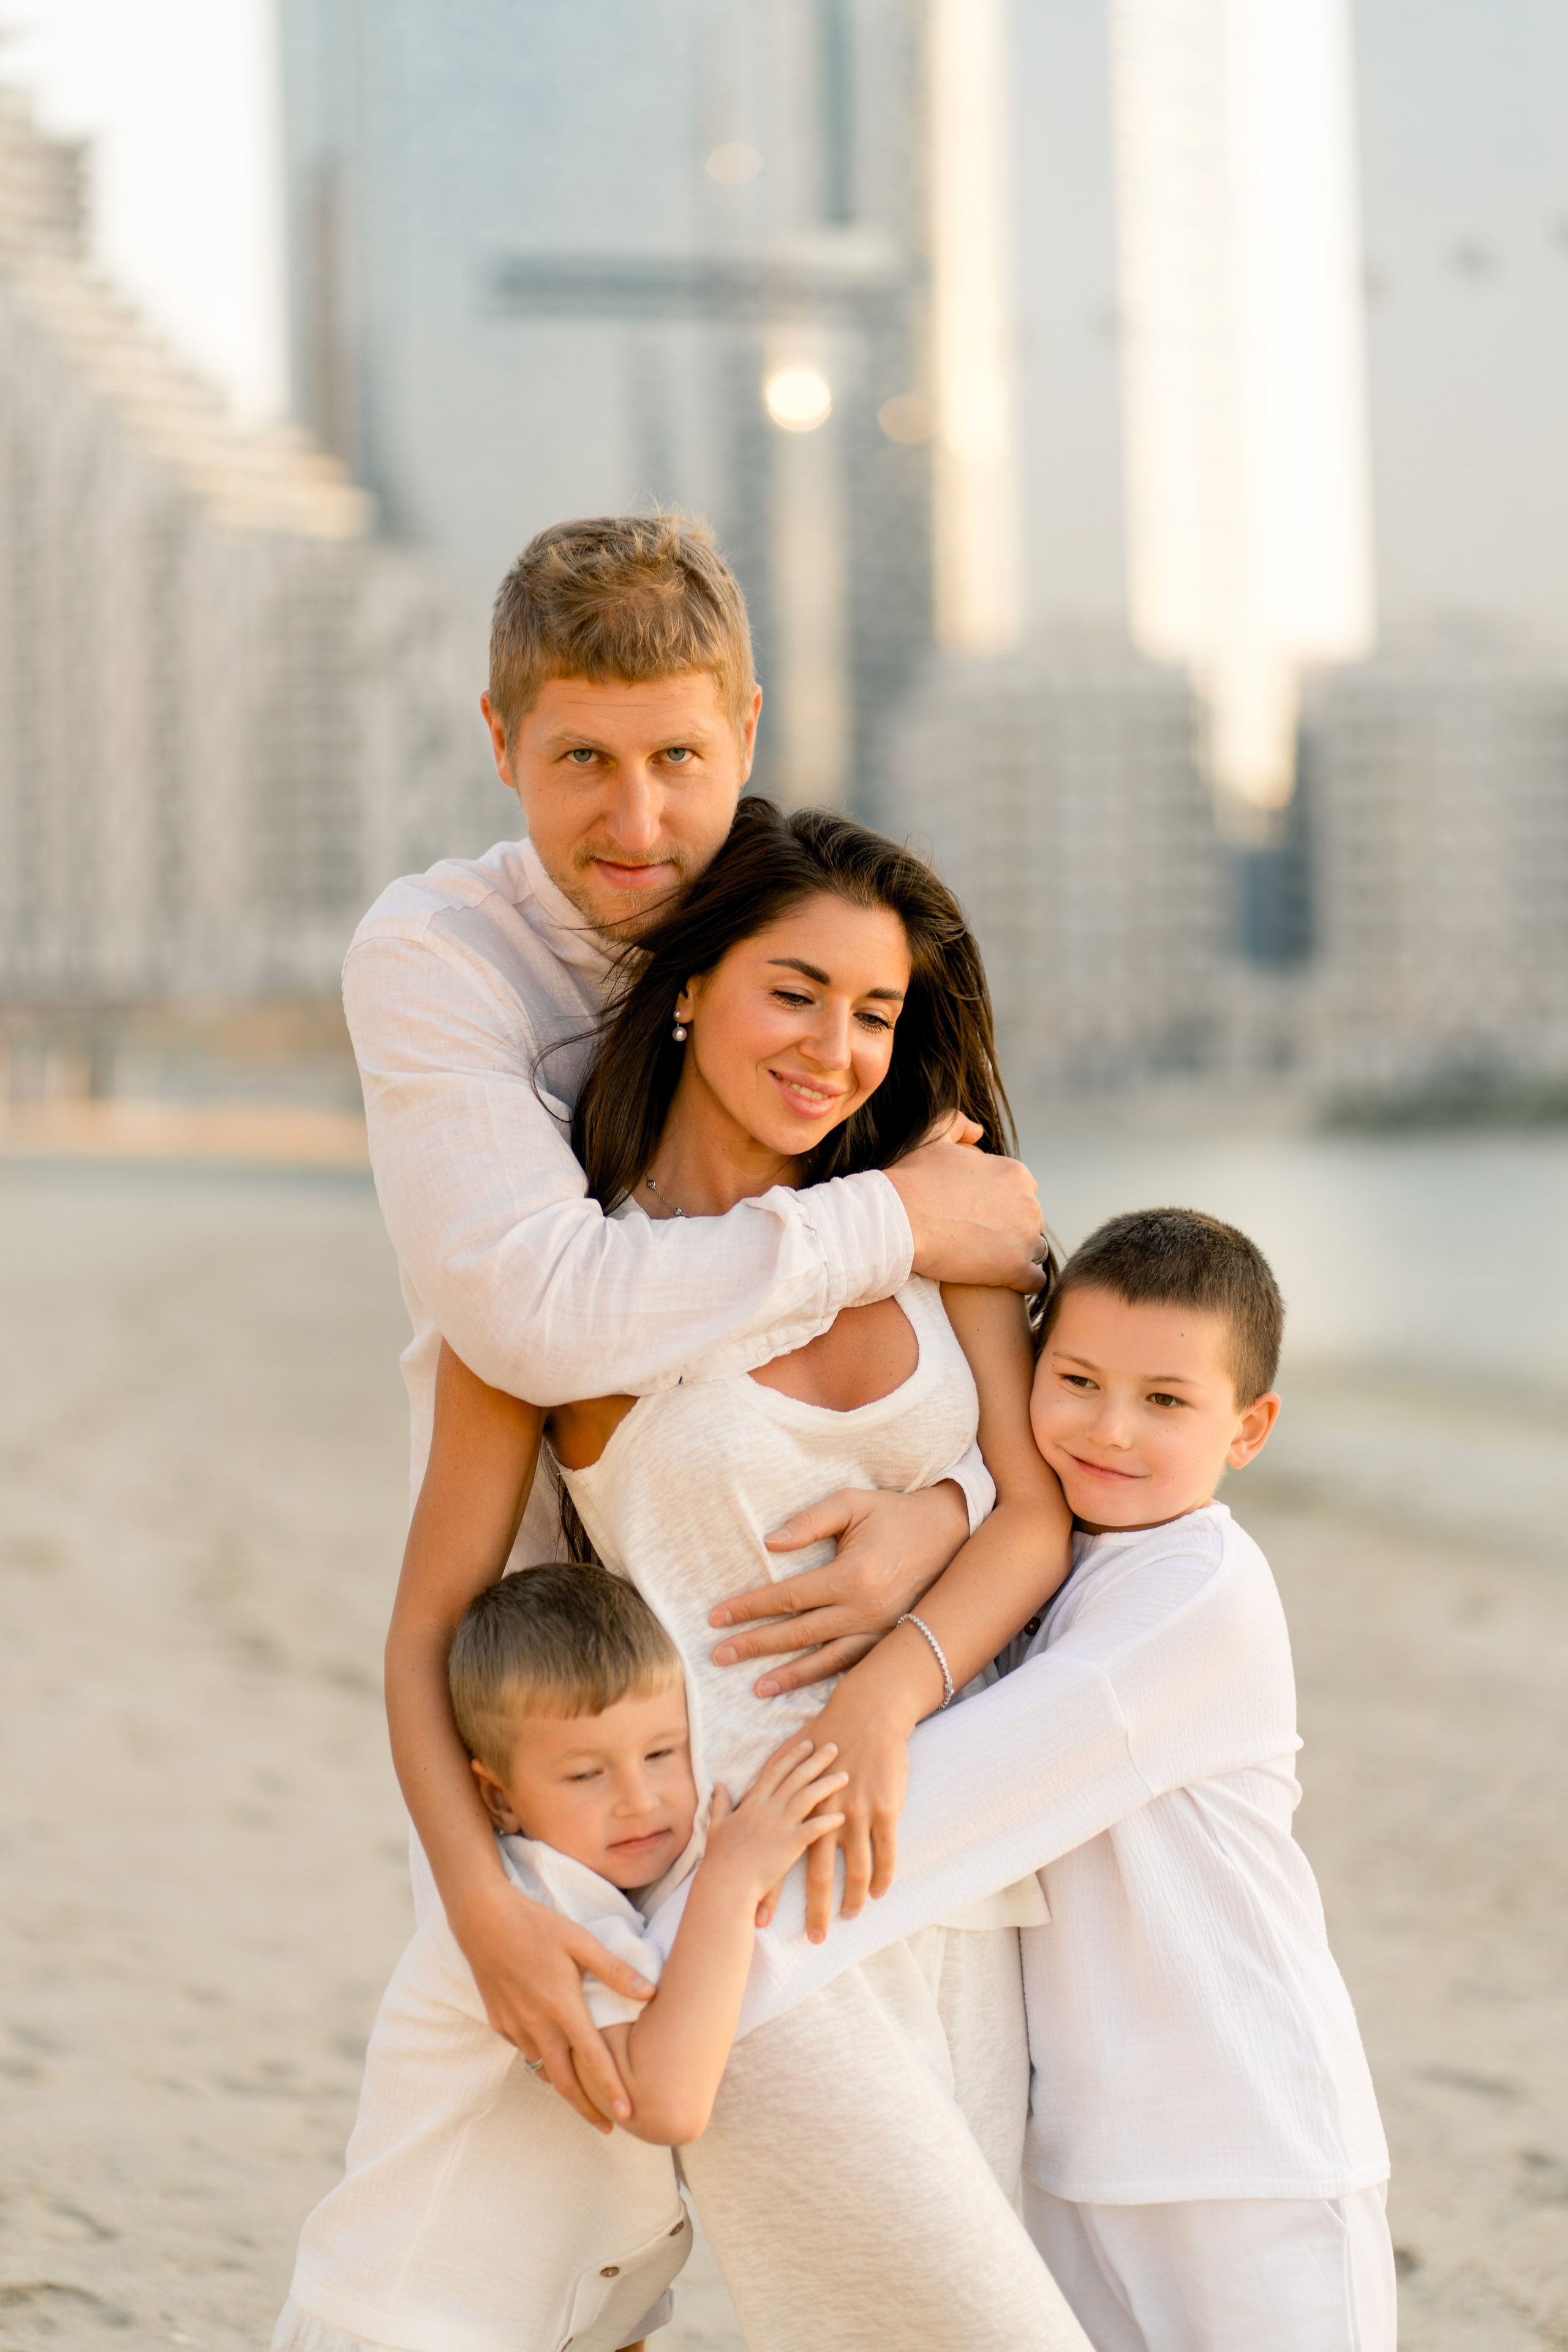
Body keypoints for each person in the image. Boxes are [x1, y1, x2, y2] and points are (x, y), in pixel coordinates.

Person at [344, 511, 1048, 2127]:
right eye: (581, 760)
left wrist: (944, 1511)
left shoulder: (796, 957)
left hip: (855, 1797)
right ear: (500, 743)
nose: (637, 818)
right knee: (516, 2221)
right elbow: (537, 1319)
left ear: (746, 732)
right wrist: (895, 1222)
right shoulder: (443, 957)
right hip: (546, 1699)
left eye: (677, 757)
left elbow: (1034, 1440)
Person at [383, 796, 1090, 2352]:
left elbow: (1036, 1516)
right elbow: (429, 1625)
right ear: (692, 985)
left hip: (963, 1863)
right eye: (795, 991)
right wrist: (479, 1903)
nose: (835, 1048)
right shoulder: (569, 1297)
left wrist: (888, 1683)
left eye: (874, 1012)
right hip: (739, 1898)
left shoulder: (934, 1230)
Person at [684, 1210, 1394, 2352]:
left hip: (1250, 2151)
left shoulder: (1196, 1592)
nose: (1110, 1429)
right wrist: (948, 1508)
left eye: (1166, 1400)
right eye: (1076, 1381)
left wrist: (684, 1942)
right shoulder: (1051, 1561)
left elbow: (939, 1803)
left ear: (1249, 1429)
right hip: (1082, 2159)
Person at [273, 1565, 848, 2352]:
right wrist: (731, 1878)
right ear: (499, 1799)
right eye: (586, 1774)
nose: (638, 1799)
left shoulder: (605, 1897)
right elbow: (666, 2105)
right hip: (409, 2327)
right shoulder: (546, 1903)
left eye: (663, 1753)